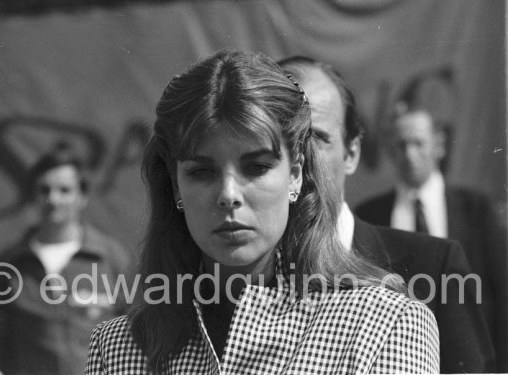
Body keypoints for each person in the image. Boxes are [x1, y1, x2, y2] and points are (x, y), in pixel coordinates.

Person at [85, 49, 439, 374]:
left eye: (255, 168)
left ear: (296, 174)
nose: (228, 195)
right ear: (176, 185)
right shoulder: (117, 348)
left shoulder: (385, 325)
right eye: (202, 172)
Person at [278, 55, 496, 372]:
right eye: (282, 142)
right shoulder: (239, 272)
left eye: (317, 138)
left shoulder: (438, 267)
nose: (298, 161)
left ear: (351, 152)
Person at [355, 104, 508, 370]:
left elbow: (503, 293)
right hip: (399, 358)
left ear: (439, 146)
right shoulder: (370, 215)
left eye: (418, 143)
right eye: (401, 145)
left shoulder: (476, 210)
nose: (410, 154)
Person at [0, 144, 130, 375]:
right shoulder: (8, 266)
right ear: (34, 197)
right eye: (45, 190)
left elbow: (136, 334)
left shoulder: (111, 259)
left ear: (82, 197)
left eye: (64, 190)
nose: (54, 198)